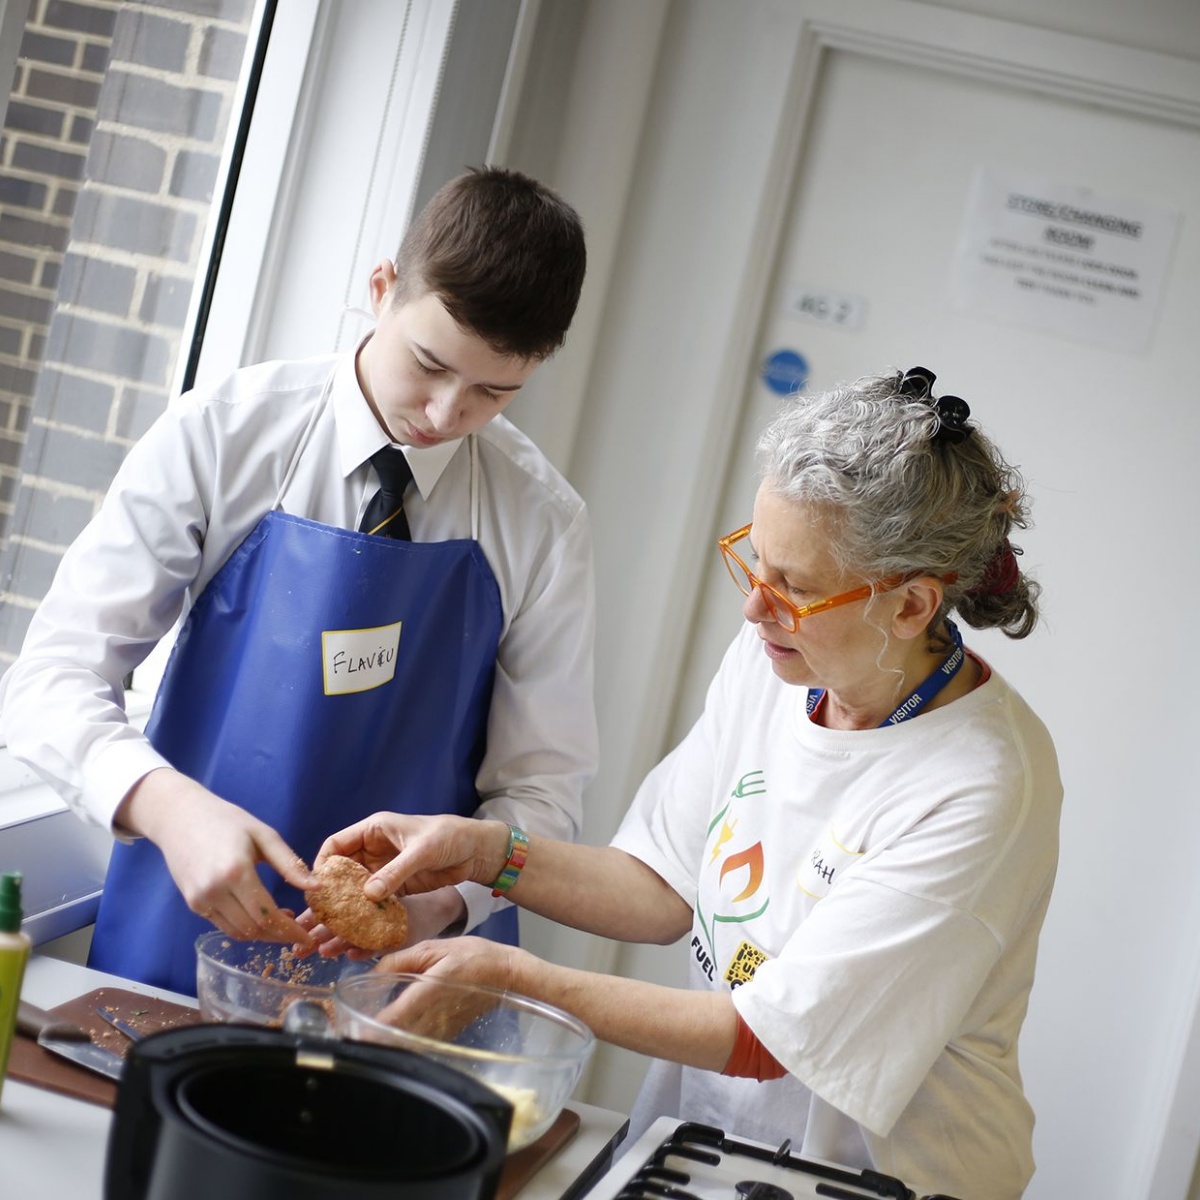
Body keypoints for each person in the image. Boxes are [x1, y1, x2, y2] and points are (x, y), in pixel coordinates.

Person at [309, 367, 1062, 1200]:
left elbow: (765, 1038)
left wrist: (517, 978)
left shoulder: (978, 785)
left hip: (883, 1175)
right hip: (716, 1147)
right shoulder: (779, 663)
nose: (754, 610)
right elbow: (658, 884)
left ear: (914, 605)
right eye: (756, 562)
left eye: (798, 589)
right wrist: (483, 852)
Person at [0, 167, 598, 996]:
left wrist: (445, 905)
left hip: (400, 984)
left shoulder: (541, 523)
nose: (441, 412)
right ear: (382, 289)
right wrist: (167, 807)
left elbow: (540, 791)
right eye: (427, 363)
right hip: (179, 935)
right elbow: (50, 679)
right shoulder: (226, 434)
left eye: (492, 392)